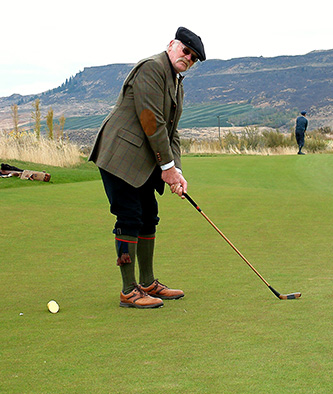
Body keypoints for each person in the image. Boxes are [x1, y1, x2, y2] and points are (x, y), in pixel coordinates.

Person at [89, 27, 206, 309]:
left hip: (141, 159)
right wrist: (165, 168)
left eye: (193, 57)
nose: (188, 57)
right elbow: (150, 120)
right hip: (119, 155)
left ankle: (148, 282)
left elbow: (171, 131)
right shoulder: (152, 68)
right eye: (185, 50)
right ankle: (129, 291)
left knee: (149, 215)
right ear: (171, 45)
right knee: (129, 216)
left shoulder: (176, 81)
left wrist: (176, 171)